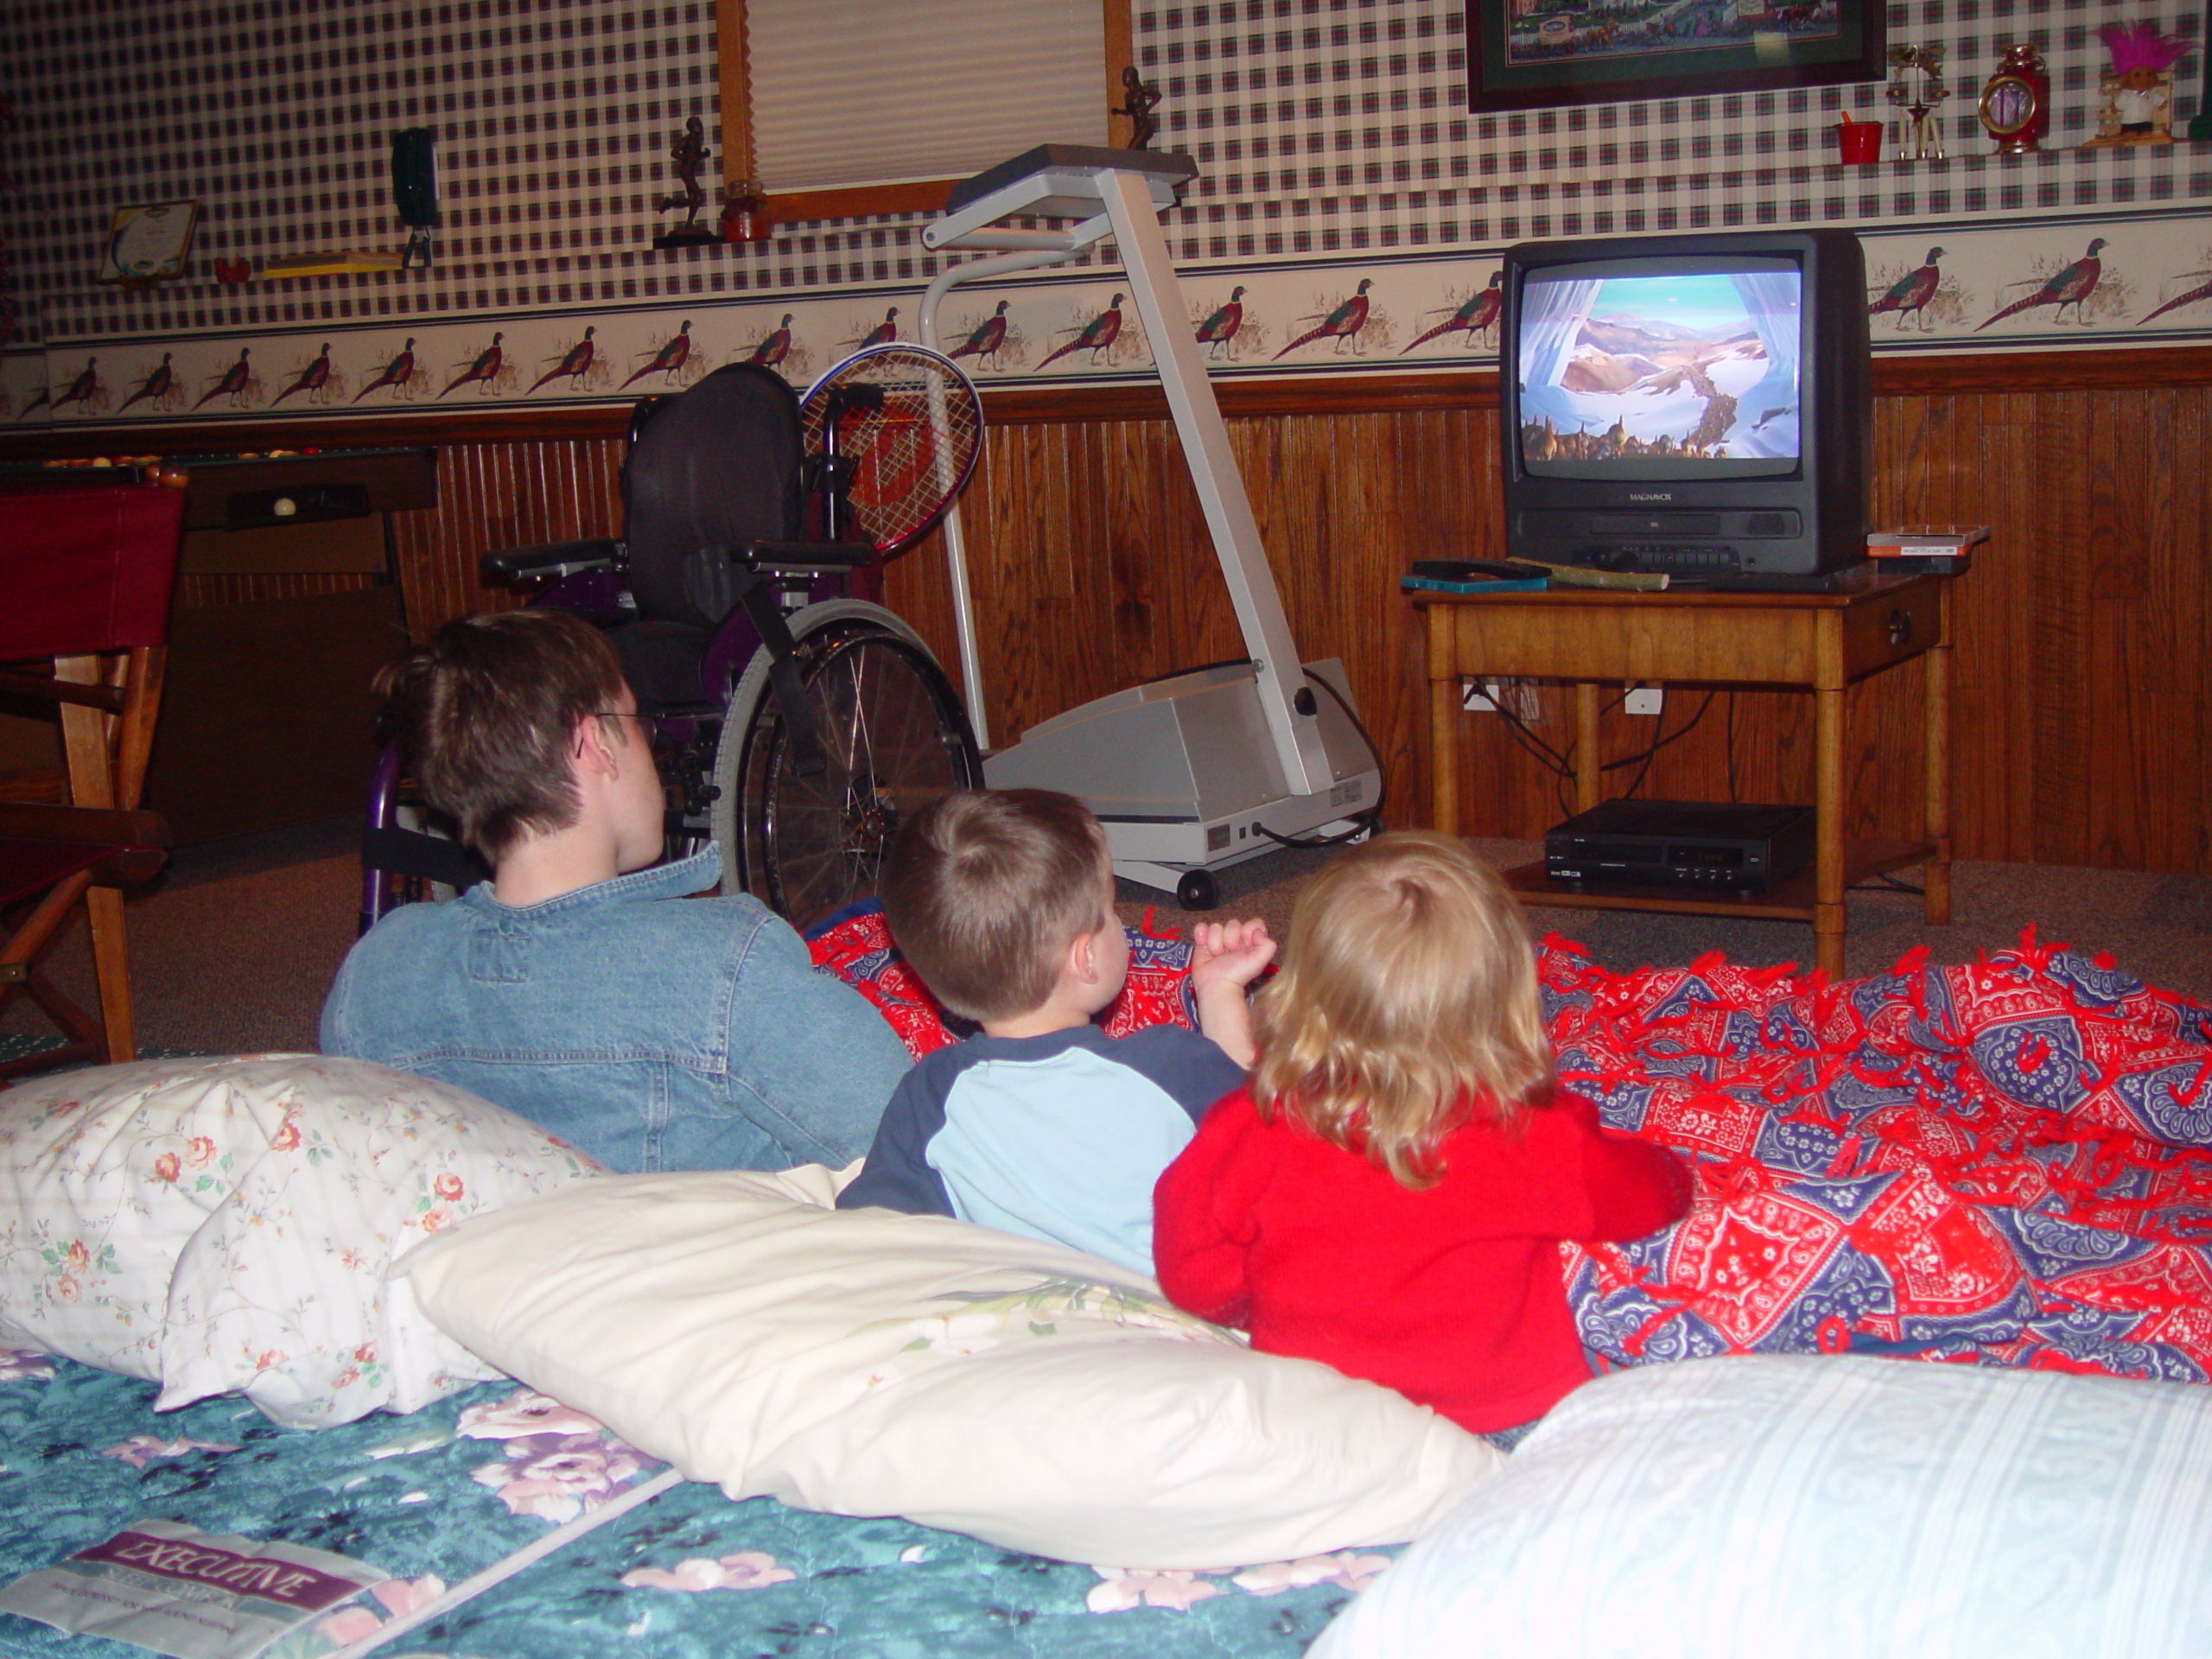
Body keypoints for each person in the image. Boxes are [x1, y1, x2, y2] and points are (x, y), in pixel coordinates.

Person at [321, 609, 912, 1173]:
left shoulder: (375, 973)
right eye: (639, 727)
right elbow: (906, 1129)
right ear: (595, 744)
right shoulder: (726, 962)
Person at [1152, 831, 1692, 1446]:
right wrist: (1678, 1172)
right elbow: (1645, 1197)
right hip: (1502, 1420)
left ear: (1304, 992)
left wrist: (1245, 1307)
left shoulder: (1251, 1126)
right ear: (1509, 995)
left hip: (1316, 1422)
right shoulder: (1536, 1130)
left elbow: (1191, 1271)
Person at [836, 788, 1276, 1276]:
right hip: (1177, 1309)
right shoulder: (1168, 1064)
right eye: (1112, 910)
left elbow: (876, 1230)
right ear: (1086, 958)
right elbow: (1265, 1134)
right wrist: (1220, 994)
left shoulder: (930, 1096)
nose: (1121, 923)